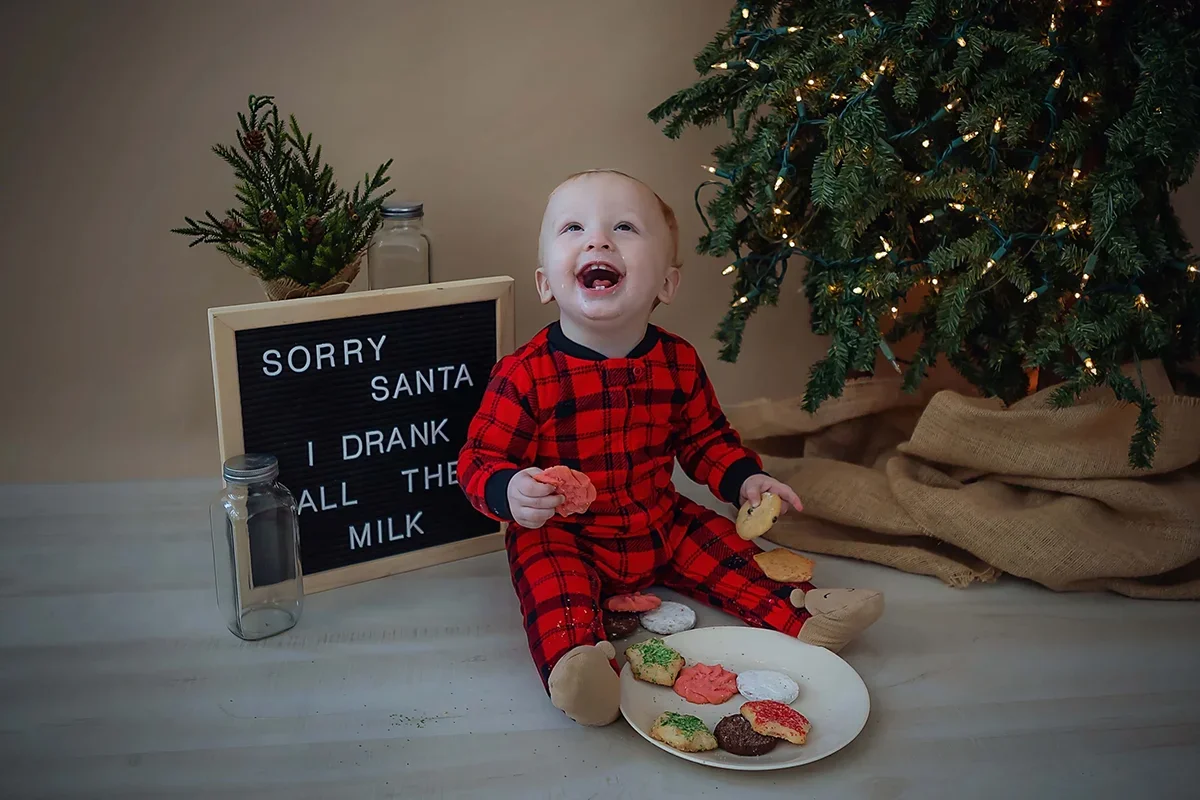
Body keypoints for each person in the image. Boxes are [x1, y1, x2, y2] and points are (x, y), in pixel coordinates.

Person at [457, 169, 883, 726]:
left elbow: (706, 440)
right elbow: (479, 460)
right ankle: (580, 670)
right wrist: (509, 490)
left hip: (657, 516)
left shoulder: (678, 362)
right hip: (565, 534)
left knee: (720, 541)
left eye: (624, 227)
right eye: (574, 228)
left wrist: (744, 481)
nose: (598, 241)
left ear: (666, 284)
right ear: (545, 283)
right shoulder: (524, 375)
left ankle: (807, 612)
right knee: (549, 584)